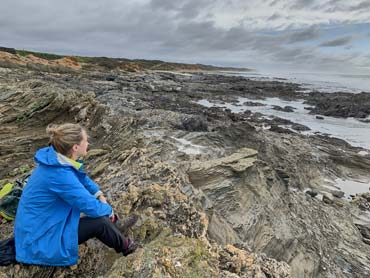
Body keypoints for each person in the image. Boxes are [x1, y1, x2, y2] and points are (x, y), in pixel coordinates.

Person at [14, 123, 139, 267]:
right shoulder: (60, 175)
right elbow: (90, 206)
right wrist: (108, 210)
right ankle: (127, 247)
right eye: (85, 140)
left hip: (41, 227)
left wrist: (98, 194)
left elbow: (82, 177)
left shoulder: (56, 159)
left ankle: (116, 225)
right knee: (99, 222)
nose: (88, 143)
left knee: (99, 211)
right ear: (75, 147)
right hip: (40, 241)